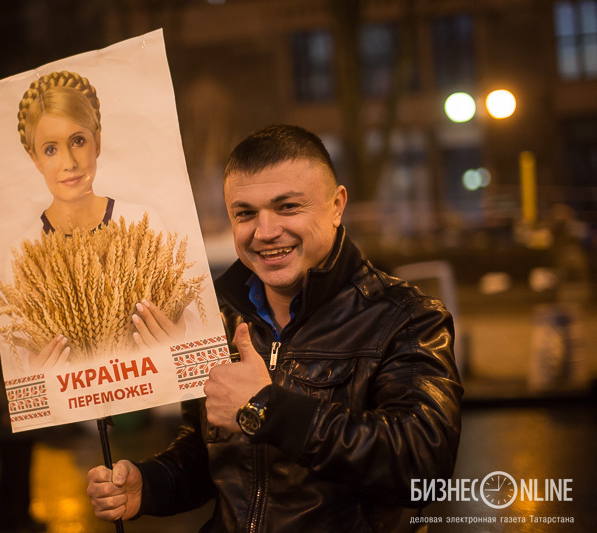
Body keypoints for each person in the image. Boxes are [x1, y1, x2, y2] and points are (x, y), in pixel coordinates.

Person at [86, 124, 463, 532]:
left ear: (337, 205)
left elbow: (423, 466)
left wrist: (266, 408)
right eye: (245, 213)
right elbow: (208, 458)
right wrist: (151, 485)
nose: (265, 232)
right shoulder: (215, 316)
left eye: (287, 207)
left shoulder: (406, 317)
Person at [11, 70, 188, 371]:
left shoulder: (142, 223)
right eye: (50, 149)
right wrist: (34, 369)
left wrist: (178, 338)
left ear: (98, 141)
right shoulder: (23, 252)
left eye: (78, 140)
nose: (69, 163)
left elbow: (186, 312)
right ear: (34, 159)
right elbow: (14, 349)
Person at [0, 296, 47, 533]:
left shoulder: (11, 314)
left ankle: (22, 517)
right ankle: (7, 523)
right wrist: (2, 407)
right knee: (11, 470)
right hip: (6, 412)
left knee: (23, 465)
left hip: (24, 405)